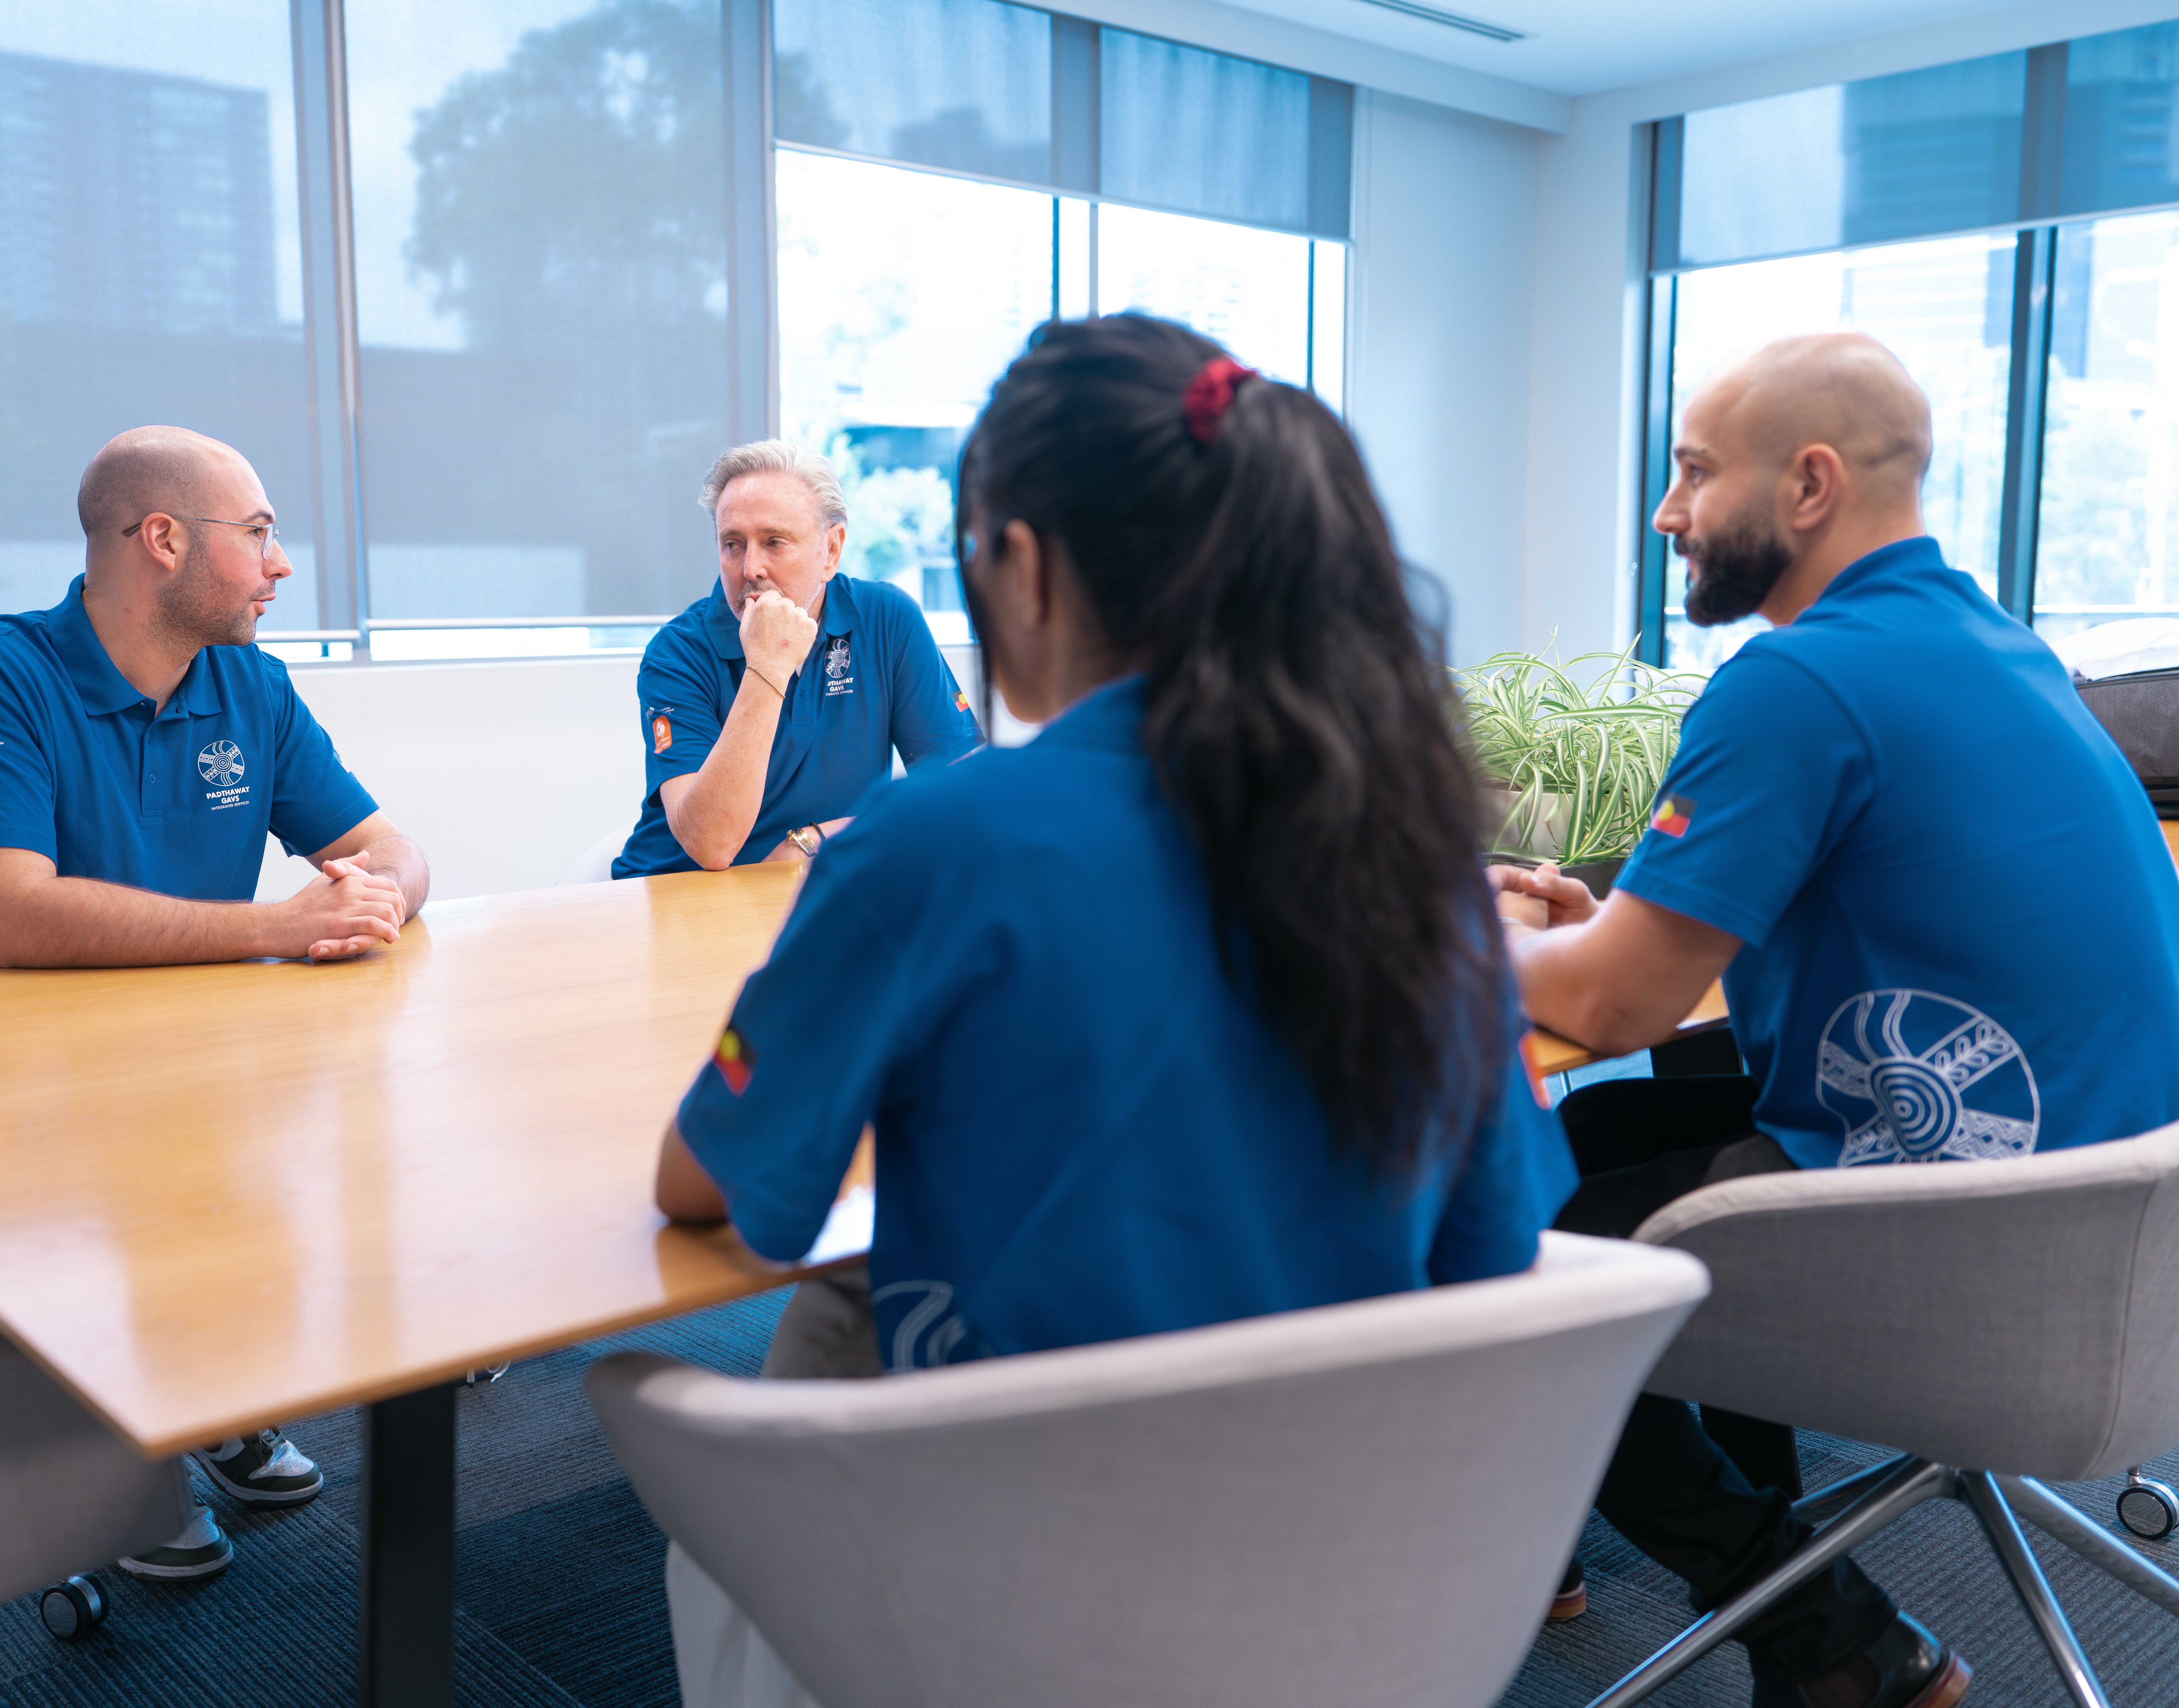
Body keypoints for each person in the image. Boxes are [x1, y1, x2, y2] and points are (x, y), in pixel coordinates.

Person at [652, 316, 1576, 1707]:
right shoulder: (1414, 858)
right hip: (1357, 1577)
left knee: (764, 1434)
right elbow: (1492, 1247)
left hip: (1021, 1592)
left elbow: (707, 1184)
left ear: (1019, 561)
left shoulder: (929, 844)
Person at [1495, 332, 2179, 1708]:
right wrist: (1595, 921)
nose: (1664, 511)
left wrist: (1450, 937)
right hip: (2101, 1226)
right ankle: (1781, 1567)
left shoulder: (1792, 682)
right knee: (1611, 1122)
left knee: (1517, 1273)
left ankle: (1827, 1637)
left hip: (1969, 1251)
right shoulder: (1992, 641)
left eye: (1690, 472)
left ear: (1805, 485)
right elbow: (1722, 929)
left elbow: (1622, 1003)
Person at [0, 425, 433, 1580]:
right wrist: (282, 928)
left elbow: (387, 844)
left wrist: (372, 897)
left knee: (307, 1146)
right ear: (163, 540)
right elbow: (18, 917)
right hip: (5, 1089)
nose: (282, 565)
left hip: (185, 1060)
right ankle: (107, 1442)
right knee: (170, 1174)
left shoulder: (251, 683)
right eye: (261, 535)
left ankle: (208, 1398)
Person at [611, 441, 981, 876]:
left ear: (831, 551)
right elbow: (712, 844)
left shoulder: (887, 620)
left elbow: (967, 794)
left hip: (816, 893)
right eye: (733, 544)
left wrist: (814, 842)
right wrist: (767, 666)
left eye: (774, 542)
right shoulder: (676, 654)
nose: (751, 568)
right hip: (678, 898)